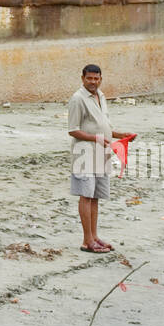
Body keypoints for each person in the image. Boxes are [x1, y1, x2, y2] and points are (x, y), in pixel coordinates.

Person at [66, 64, 135, 254]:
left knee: (95, 196)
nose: (93, 82)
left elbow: (101, 127)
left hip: (101, 153)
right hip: (84, 154)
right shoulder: (77, 99)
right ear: (82, 78)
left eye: (96, 79)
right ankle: (86, 240)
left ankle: (94, 237)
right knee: (86, 195)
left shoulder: (101, 96)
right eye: (89, 78)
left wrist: (121, 134)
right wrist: (95, 138)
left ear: (100, 79)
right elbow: (73, 129)